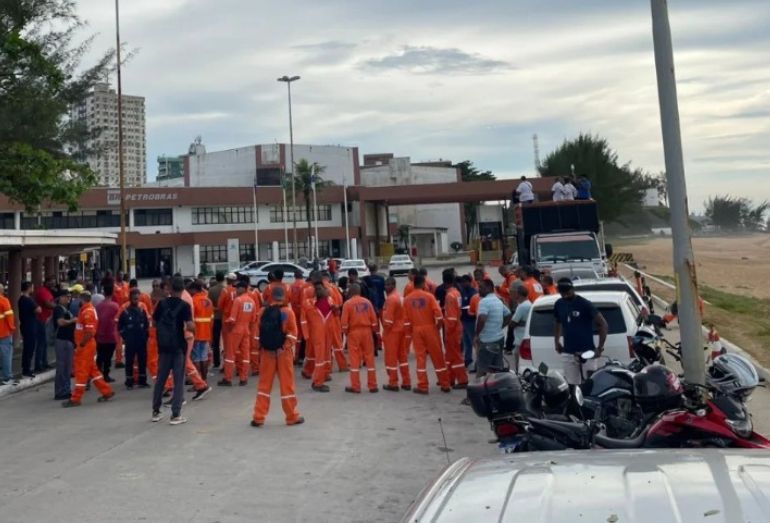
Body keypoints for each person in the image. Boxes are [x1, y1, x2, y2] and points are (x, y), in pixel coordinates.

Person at [251, 286, 304, 427]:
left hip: (267, 353)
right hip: (283, 354)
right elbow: (293, 334)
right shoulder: (288, 312)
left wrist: (260, 349)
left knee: (264, 385)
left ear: (271, 297)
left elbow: (256, 335)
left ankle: (258, 416)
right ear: (284, 297)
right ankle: (292, 416)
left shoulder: (262, 312)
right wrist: (284, 347)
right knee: (287, 385)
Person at [151, 277, 194, 424]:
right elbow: (190, 325)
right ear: (182, 290)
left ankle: (156, 411)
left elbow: (154, 322)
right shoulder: (184, 306)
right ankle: (175, 414)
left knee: (161, 379)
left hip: (163, 346)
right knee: (178, 379)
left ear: (169, 289)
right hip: (178, 347)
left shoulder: (161, 304)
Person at [62, 291, 115, 407]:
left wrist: (81, 345)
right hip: (87, 346)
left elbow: (89, 332)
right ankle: (107, 391)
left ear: (82, 299)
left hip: (85, 347)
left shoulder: (87, 312)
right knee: (93, 371)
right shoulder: (86, 310)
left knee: (81, 372)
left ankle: (76, 399)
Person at [553, 278, 608, 386]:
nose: (565, 296)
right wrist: (557, 341)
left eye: (567, 293)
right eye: (562, 294)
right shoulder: (559, 304)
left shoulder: (585, 304)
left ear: (573, 289)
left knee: (589, 385)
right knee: (572, 386)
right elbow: (557, 322)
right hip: (568, 353)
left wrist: (599, 348)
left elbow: (603, 324)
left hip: (587, 352)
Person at [403, 275, 450, 394]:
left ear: (413, 284)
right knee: (438, 356)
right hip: (430, 328)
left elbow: (406, 320)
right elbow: (439, 315)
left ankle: (423, 385)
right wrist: (438, 327)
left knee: (420, 358)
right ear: (424, 284)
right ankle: (445, 384)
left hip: (416, 330)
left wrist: (410, 333)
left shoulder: (407, 299)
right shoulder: (429, 297)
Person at [341, 283, 379, 394]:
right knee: (369, 358)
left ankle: (356, 386)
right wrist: (374, 332)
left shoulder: (347, 304)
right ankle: (373, 385)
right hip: (367, 332)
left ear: (351, 292)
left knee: (354, 359)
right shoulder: (367, 302)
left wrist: (346, 333)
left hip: (354, 333)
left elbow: (344, 323)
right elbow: (374, 320)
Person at [220, 280, 257, 386]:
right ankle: (244, 378)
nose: (236, 290)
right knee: (245, 355)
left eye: (238, 288)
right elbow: (253, 319)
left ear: (244, 289)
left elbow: (232, 318)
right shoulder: (251, 301)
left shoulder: (238, 300)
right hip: (246, 330)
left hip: (236, 330)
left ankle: (228, 378)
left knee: (230, 355)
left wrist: (228, 327)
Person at [474, 279, 511, 380]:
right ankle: (497, 391)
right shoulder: (497, 300)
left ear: (489, 288)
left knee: (482, 369)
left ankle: (475, 394)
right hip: (498, 339)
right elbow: (508, 314)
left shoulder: (484, 302)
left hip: (487, 340)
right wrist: (500, 326)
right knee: (497, 369)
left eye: (481, 287)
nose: (479, 289)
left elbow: (482, 318)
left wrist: (477, 334)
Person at [301, 281, 334, 392]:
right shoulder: (308, 303)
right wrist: (306, 335)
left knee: (325, 356)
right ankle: (318, 382)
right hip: (316, 335)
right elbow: (303, 320)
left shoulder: (330, 301)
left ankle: (320, 374)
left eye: (322, 288)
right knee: (319, 358)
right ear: (314, 291)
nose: (320, 290)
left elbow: (335, 315)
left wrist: (336, 310)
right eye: (317, 289)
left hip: (327, 334)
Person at [381, 277, 410, 391]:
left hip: (392, 332)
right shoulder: (400, 297)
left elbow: (388, 320)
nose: (386, 287)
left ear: (393, 285)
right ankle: (406, 381)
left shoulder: (391, 299)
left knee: (391, 358)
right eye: (386, 285)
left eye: (388, 285)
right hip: (401, 330)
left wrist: (385, 333)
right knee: (402, 357)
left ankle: (393, 382)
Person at [118, 288, 150, 389]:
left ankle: (142, 381)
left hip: (141, 340)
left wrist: (145, 336)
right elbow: (120, 327)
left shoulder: (142, 311)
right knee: (129, 362)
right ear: (130, 298)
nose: (136, 299)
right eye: (134, 298)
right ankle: (129, 382)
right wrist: (126, 337)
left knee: (142, 361)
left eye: (137, 298)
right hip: (130, 341)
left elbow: (146, 325)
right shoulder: (125, 312)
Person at [442, 270, 468, 389]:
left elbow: (451, 317)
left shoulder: (449, 296)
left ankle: (462, 380)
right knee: (450, 356)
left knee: (456, 356)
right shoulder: (456, 293)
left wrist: (447, 330)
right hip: (456, 327)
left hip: (452, 329)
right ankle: (450, 378)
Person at [52, 289, 76, 398]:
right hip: (62, 340)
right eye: (66, 297)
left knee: (67, 367)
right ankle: (60, 391)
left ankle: (66, 389)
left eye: (69, 297)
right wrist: (73, 320)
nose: (68, 299)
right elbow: (60, 322)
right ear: (61, 297)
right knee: (62, 366)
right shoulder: (58, 309)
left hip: (68, 340)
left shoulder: (66, 309)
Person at [95, 285, 119, 383]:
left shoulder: (98, 306)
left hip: (99, 334)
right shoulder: (115, 306)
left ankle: (97, 373)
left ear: (104, 294)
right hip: (111, 335)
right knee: (108, 357)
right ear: (112, 293)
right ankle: (106, 375)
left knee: (100, 355)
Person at [18, 281, 40, 378]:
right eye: (32, 287)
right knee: (30, 348)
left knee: (27, 347)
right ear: (28, 288)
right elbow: (38, 310)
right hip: (30, 326)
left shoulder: (21, 299)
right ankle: (27, 369)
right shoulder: (28, 300)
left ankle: (25, 367)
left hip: (24, 325)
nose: (33, 289)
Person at [33, 276, 56, 372]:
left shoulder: (48, 291)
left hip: (46, 319)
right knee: (41, 343)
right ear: (46, 282)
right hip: (41, 320)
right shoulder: (42, 291)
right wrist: (57, 306)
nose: (53, 284)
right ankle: (39, 365)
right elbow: (47, 304)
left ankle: (44, 362)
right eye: (51, 282)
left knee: (45, 343)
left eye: (54, 282)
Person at [509, 286, 532, 373]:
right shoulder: (528, 303)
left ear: (518, 294)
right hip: (524, 337)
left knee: (519, 363)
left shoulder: (522, 307)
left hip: (520, 339)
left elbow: (512, 323)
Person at [459, 275, 479, 370]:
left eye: (464, 282)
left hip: (471, 321)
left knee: (473, 342)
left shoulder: (473, 293)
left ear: (469, 282)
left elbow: (473, 308)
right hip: (464, 320)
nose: (462, 284)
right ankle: (468, 360)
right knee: (466, 342)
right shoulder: (463, 292)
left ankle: (479, 363)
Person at [0, 283, 17, 385]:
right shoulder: (4, 300)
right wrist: (12, 328)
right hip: (4, 332)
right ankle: (7, 377)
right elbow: (9, 316)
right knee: (6, 355)